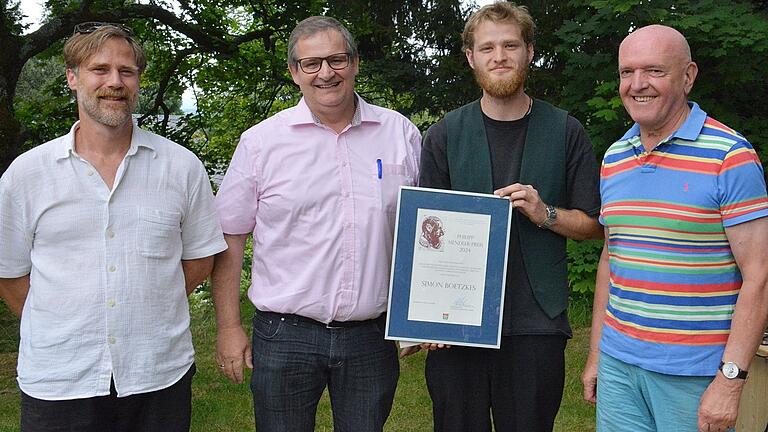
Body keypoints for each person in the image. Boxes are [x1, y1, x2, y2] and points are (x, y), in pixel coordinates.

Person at [0, 22, 227, 432]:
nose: (114, 82)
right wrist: (63, 318)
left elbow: (199, 259)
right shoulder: (27, 175)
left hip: (158, 373)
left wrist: (148, 302)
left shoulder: (181, 167)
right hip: (59, 378)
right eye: (99, 70)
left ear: (138, 80)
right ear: (72, 78)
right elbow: (10, 273)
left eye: (127, 71)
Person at [211, 15, 421, 432]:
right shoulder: (261, 143)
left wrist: (420, 318)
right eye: (311, 63)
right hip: (285, 335)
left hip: (370, 336)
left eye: (337, 59)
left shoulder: (400, 133)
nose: (326, 73)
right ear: (294, 72)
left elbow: (424, 230)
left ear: (356, 63)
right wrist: (229, 327)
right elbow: (230, 238)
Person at [415, 2, 602, 431]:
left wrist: (546, 213)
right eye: (487, 48)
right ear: (471, 57)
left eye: (510, 45)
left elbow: (593, 226)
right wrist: (425, 313)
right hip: (457, 323)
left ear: (529, 51)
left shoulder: (566, 130)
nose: (499, 56)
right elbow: (427, 234)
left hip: (536, 322)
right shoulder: (444, 134)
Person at [582, 24, 768, 432]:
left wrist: (731, 379)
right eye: (626, 72)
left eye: (654, 71)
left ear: (688, 76)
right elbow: (612, 260)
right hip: (619, 369)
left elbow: (760, 275)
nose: (637, 84)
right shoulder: (615, 157)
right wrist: (597, 354)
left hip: (695, 376)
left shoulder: (730, 157)